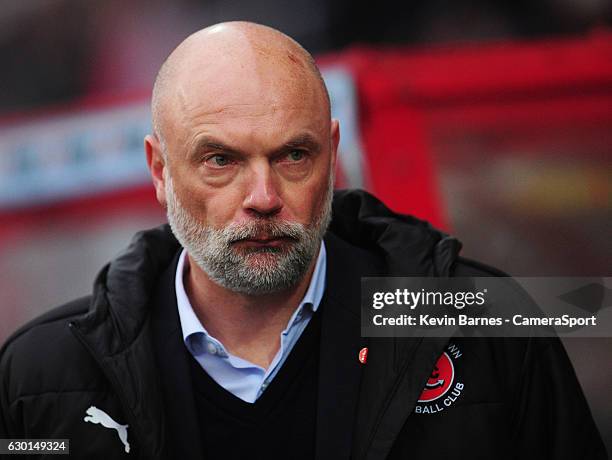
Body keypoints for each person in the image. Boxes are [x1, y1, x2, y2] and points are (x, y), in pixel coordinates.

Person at [0, 22, 606, 460]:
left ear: (333, 155)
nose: (263, 195)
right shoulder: (41, 375)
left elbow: (587, 306)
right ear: (160, 171)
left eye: (294, 155)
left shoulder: (489, 325)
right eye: (221, 160)